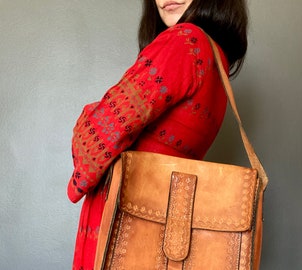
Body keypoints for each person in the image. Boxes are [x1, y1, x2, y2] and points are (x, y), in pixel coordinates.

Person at [67, 0, 248, 269]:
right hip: (157, 235)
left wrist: (88, 114)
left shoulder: (185, 41)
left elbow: (94, 139)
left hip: (126, 233)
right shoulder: (215, 57)